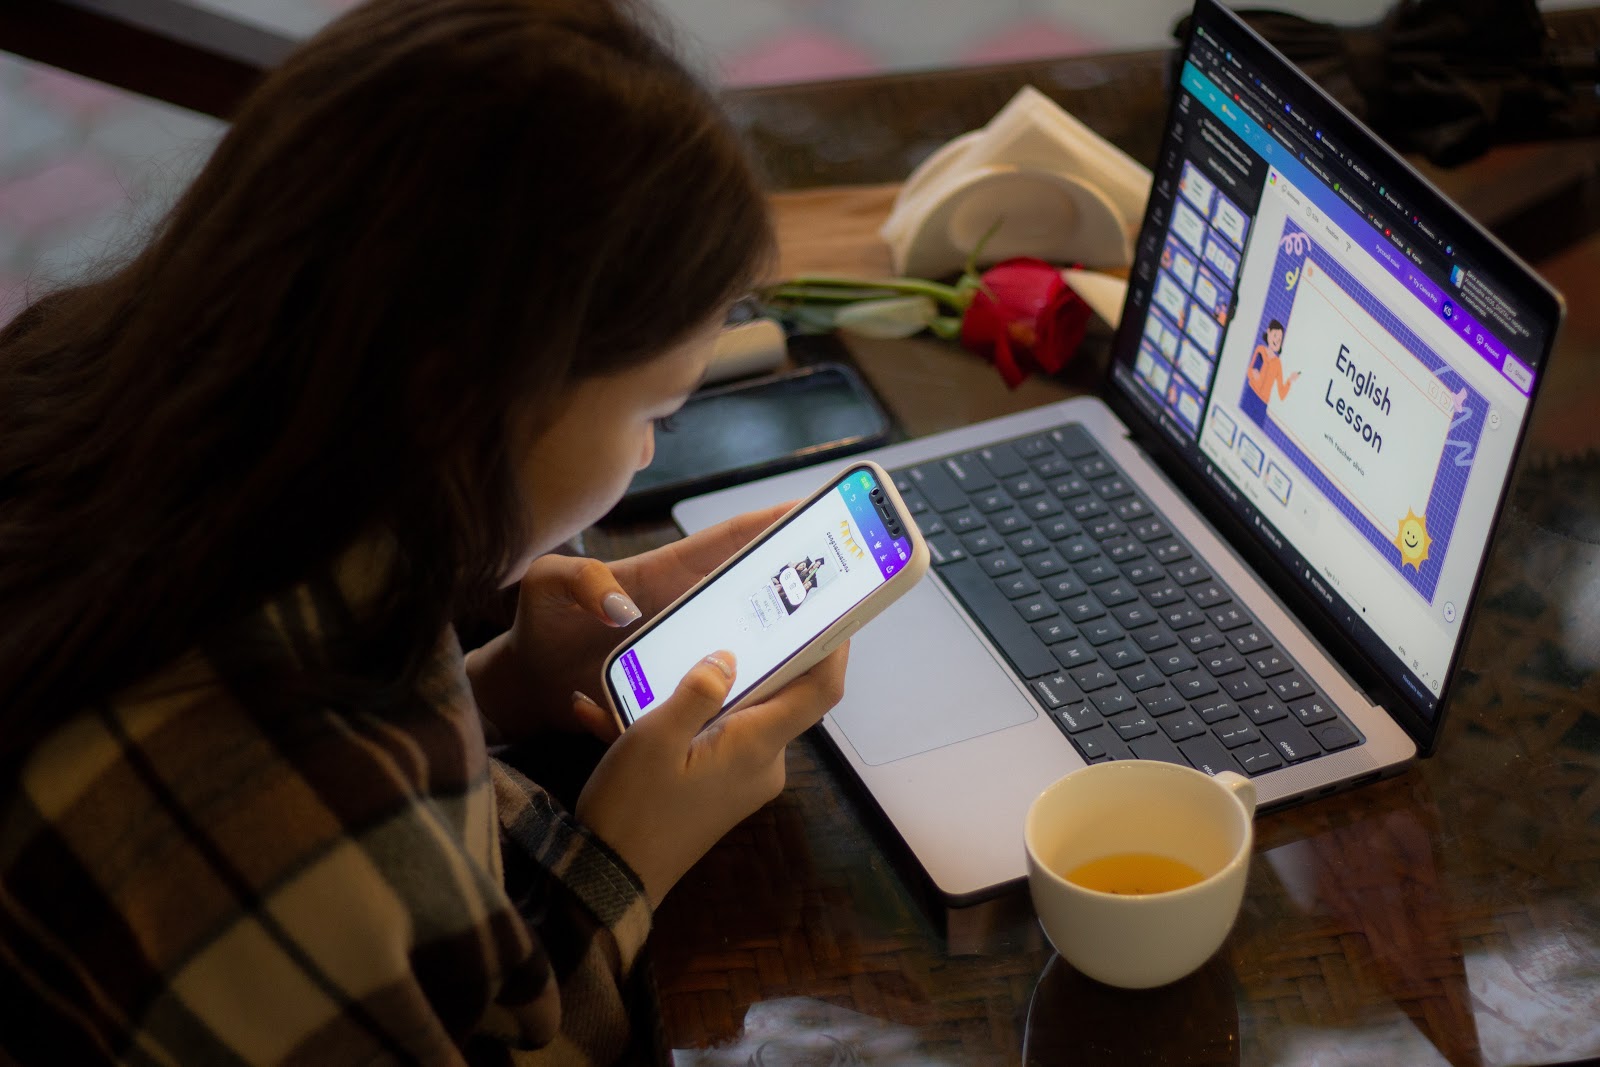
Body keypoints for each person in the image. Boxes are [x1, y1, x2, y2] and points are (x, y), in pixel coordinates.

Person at [0, 0, 848, 1062]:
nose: (642, 458)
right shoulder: (293, 829)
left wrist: (496, 684)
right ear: (461, 405)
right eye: (648, 414)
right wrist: (627, 854)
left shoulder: (84, 407)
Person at [1243, 318, 1299, 424]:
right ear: (1268, 332)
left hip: (1262, 404)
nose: (1276, 341)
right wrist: (1253, 374)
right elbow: (1249, 371)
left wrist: (1290, 381)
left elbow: (1281, 394)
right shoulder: (1260, 350)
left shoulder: (1277, 364)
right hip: (1250, 394)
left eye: (1279, 340)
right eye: (1275, 336)